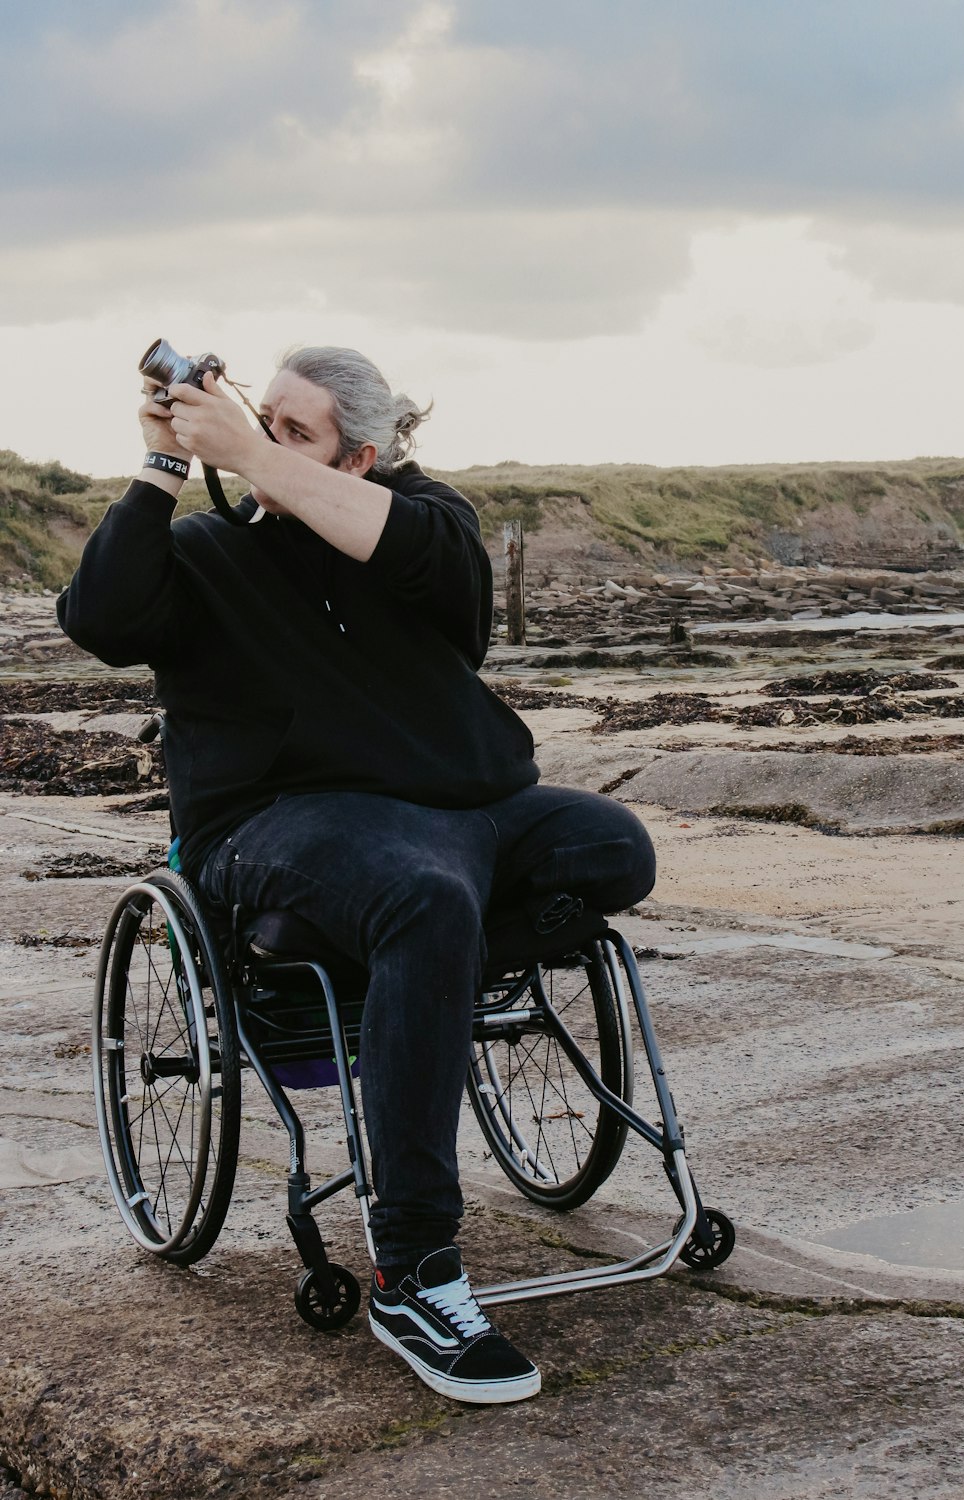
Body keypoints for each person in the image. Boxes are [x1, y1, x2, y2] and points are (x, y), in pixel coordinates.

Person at [58, 345, 656, 1405]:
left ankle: (426, 974)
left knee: (614, 847)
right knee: (423, 898)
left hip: (468, 809)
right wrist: (160, 465)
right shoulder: (208, 549)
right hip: (283, 820)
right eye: (262, 421)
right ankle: (414, 1269)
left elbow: (406, 545)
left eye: (295, 433)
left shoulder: (424, 522)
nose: (262, 447)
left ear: (363, 455)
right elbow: (101, 621)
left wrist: (248, 449)